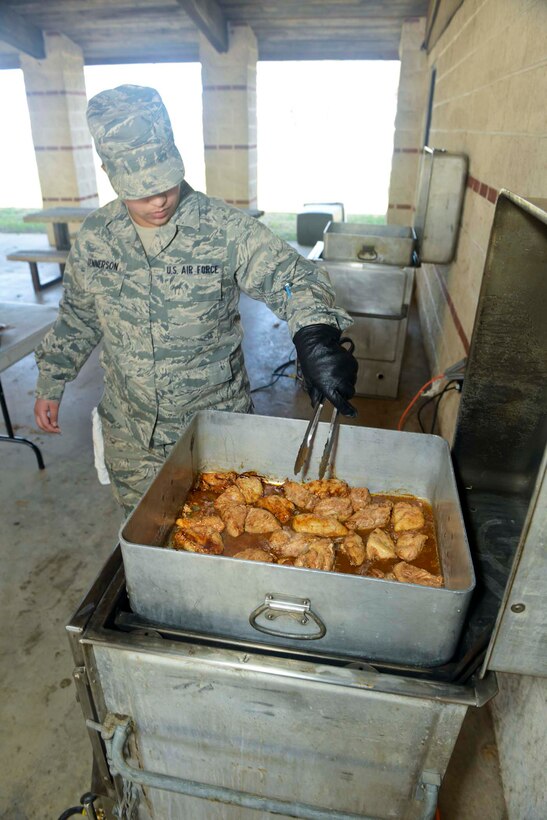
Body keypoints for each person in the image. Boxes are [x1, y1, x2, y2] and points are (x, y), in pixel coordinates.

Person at [34, 85, 358, 514]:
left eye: (164, 182)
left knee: (226, 539)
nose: (158, 199)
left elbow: (292, 274)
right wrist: (51, 381)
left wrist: (315, 333)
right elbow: (78, 316)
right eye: (140, 188)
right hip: (131, 440)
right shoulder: (97, 237)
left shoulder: (220, 228)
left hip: (215, 434)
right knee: (148, 544)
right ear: (109, 171)